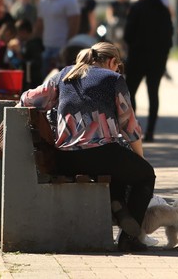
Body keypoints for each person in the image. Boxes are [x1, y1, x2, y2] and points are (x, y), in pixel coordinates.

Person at [18, 42, 158, 251]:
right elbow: (129, 127)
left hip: (65, 159)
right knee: (143, 174)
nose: (117, 70)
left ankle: (117, 202)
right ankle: (129, 238)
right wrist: (140, 159)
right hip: (102, 155)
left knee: (118, 163)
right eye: (118, 66)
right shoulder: (113, 79)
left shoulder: (64, 75)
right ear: (112, 62)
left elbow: (29, 99)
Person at [124, 0, 174, 142]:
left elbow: (128, 34)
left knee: (130, 92)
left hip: (137, 57)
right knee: (153, 93)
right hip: (157, 60)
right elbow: (169, 36)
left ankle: (133, 129)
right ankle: (150, 131)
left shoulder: (136, 8)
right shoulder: (163, 10)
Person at [35, 0, 80, 74]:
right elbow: (40, 24)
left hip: (61, 49)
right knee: (45, 82)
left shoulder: (69, 0)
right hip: (45, 48)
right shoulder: (43, 1)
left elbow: (74, 25)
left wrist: (67, 48)